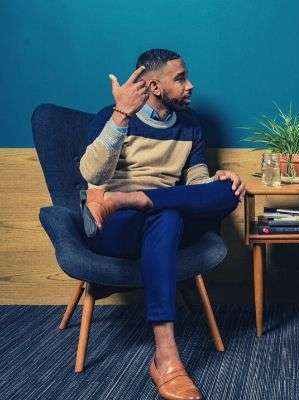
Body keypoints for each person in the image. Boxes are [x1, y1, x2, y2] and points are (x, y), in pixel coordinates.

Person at [79, 49, 246, 400]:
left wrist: (216, 181)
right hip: (114, 226)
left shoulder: (190, 124)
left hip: (159, 219)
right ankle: (166, 357)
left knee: (227, 192)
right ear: (154, 85)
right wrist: (121, 115)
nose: (190, 85)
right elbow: (92, 175)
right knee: (167, 214)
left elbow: (196, 178)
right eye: (181, 78)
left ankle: (137, 198)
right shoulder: (111, 117)